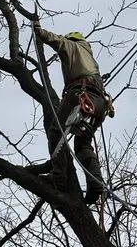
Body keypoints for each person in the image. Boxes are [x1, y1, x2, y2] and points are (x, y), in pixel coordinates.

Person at [33, 19, 107, 204]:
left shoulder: (73, 45)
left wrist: (40, 32)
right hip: (99, 103)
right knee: (83, 144)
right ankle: (95, 181)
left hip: (80, 94)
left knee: (55, 132)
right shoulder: (90, 58)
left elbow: (58, 41)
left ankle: (58, 177)